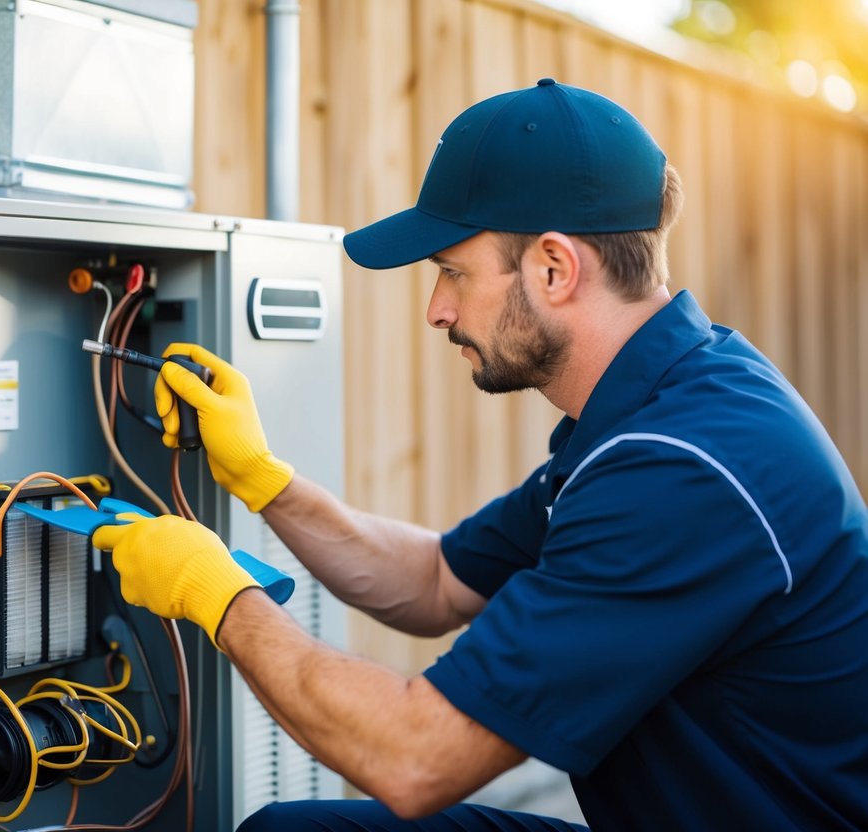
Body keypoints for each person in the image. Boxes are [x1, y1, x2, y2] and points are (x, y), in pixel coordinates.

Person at [91, 79, 868, 830]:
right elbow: (435, 581)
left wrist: (217, 598)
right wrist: (261, 480)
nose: (437, 310)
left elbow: (412, 757)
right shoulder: (654, 406)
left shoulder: (682, 469)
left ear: (555, 268)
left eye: (453, 273)